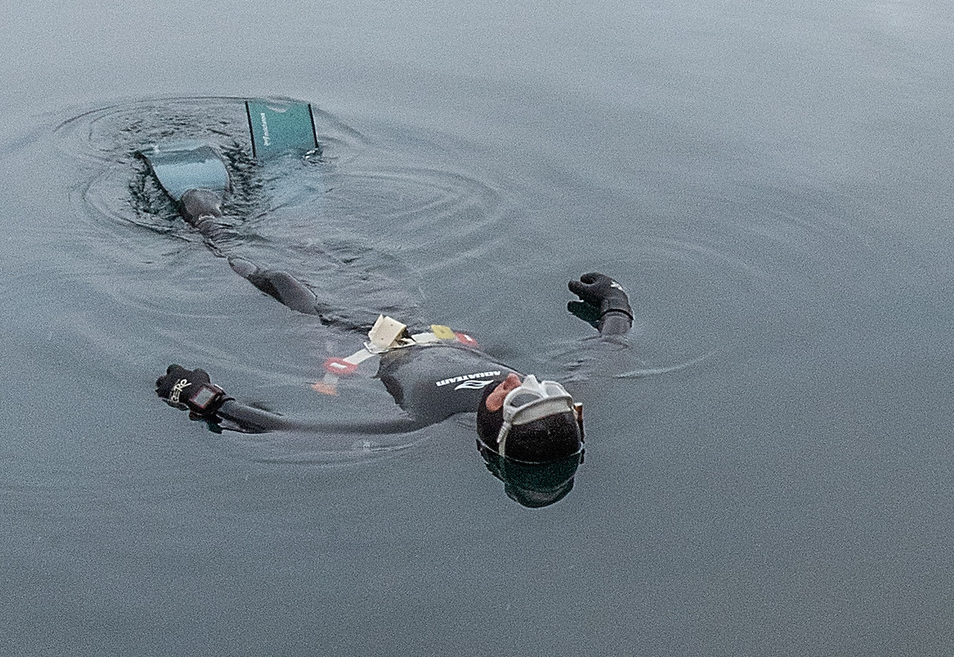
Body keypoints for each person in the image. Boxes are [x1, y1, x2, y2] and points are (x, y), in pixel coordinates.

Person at [140, 119, 629, 486]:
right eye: (545, 389)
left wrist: (200, 396)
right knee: (331, 256)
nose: (520, 381)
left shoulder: (420, 424)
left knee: (283, 281)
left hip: (347, 338)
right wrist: (613, 302)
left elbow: (283, 427)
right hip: (410, 320)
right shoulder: (544, 402)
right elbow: (609, 351)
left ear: (491, 426)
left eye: (517, 399)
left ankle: (207, 221)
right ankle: (299, 214)